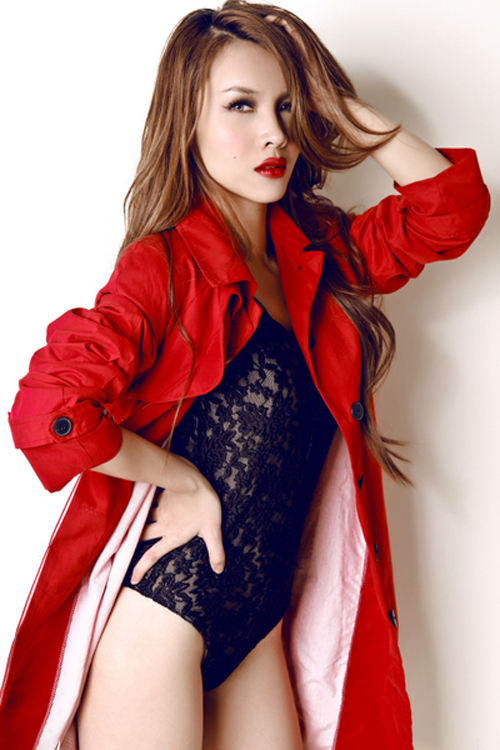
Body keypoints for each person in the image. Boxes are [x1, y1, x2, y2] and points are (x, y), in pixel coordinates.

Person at [1, 2, 490, 749]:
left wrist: (335, 104)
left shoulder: (319, 260)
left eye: (286, 107)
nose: (275, 134)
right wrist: (180, 479)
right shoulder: (165, 267)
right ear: (187, 123)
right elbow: (51, 413)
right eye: (241, 106)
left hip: (257, 627)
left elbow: (450, 209)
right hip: (162, 612)